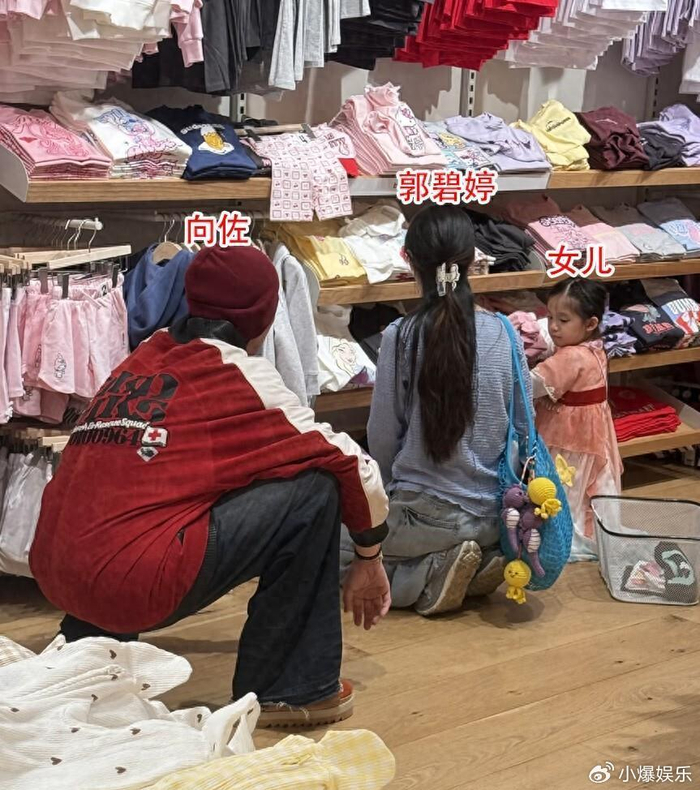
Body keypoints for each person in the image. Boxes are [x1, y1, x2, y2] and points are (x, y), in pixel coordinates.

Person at [29, 245, 392, 728]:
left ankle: (89, 647)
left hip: (55, 570)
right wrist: (369, 557)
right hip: (129, 586)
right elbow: (351, 464)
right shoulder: (238, 374)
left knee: (143, 491)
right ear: (265, 316)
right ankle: (292, 689)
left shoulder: (144, 356)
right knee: (315, 489)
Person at [340, 204, 531, 617]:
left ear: (409, 261)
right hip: (499, 513)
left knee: (332, 545)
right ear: (473, 259)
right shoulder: (506, 332)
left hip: (424, 516)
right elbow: (523, 424)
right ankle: (478, 558)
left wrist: (387, 495)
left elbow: (383, 434)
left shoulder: (402, 334)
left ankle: (429, 572)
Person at [531, 279, 622, 561]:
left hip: (568, 435)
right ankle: (591, 530)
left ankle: (563, 534)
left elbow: (533, 383)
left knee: (564, 482)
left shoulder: (570, 356)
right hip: (593, 433)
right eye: (550, 317)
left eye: (563, 320)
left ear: (590, 323)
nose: (553, 327)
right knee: (586, 483)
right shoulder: (596, 349)